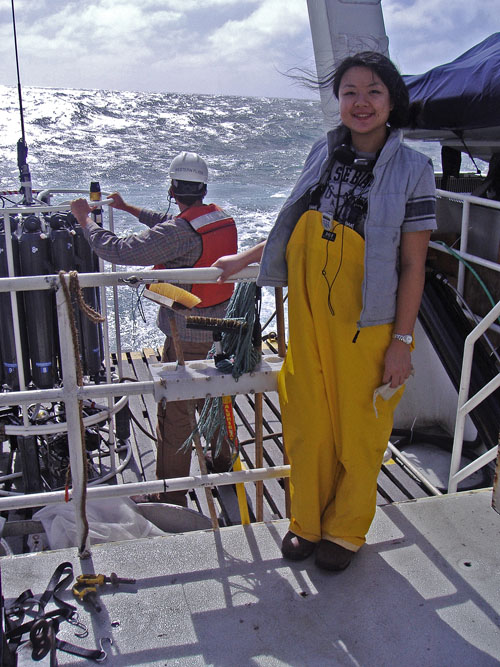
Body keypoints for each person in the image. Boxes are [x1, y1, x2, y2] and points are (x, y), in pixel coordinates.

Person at [213, 52, 436, 571]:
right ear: (338, 100)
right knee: (308, 419)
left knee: (361, 429)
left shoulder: (414, 169)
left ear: (392, 101)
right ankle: (306, 522)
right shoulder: (323, 151)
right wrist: (247, 257)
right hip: (308, 313)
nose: (361, 102)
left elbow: (413, 263)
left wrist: (401, 343)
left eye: (374, 91)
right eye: (350, 91)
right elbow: (293, 219)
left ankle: (346, 531)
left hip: (368, 321)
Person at [71, 151, 238, 506]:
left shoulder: (178, 233)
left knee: (176, 411)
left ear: (173, 189)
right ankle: (224, 461)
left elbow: (117, 249)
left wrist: (86, 221)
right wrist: (130, 208)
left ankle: (172, 491)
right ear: (204, 188)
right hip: (223, 327)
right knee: (218, 395)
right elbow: (172, 226)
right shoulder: (220, 218)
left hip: (188, 336)